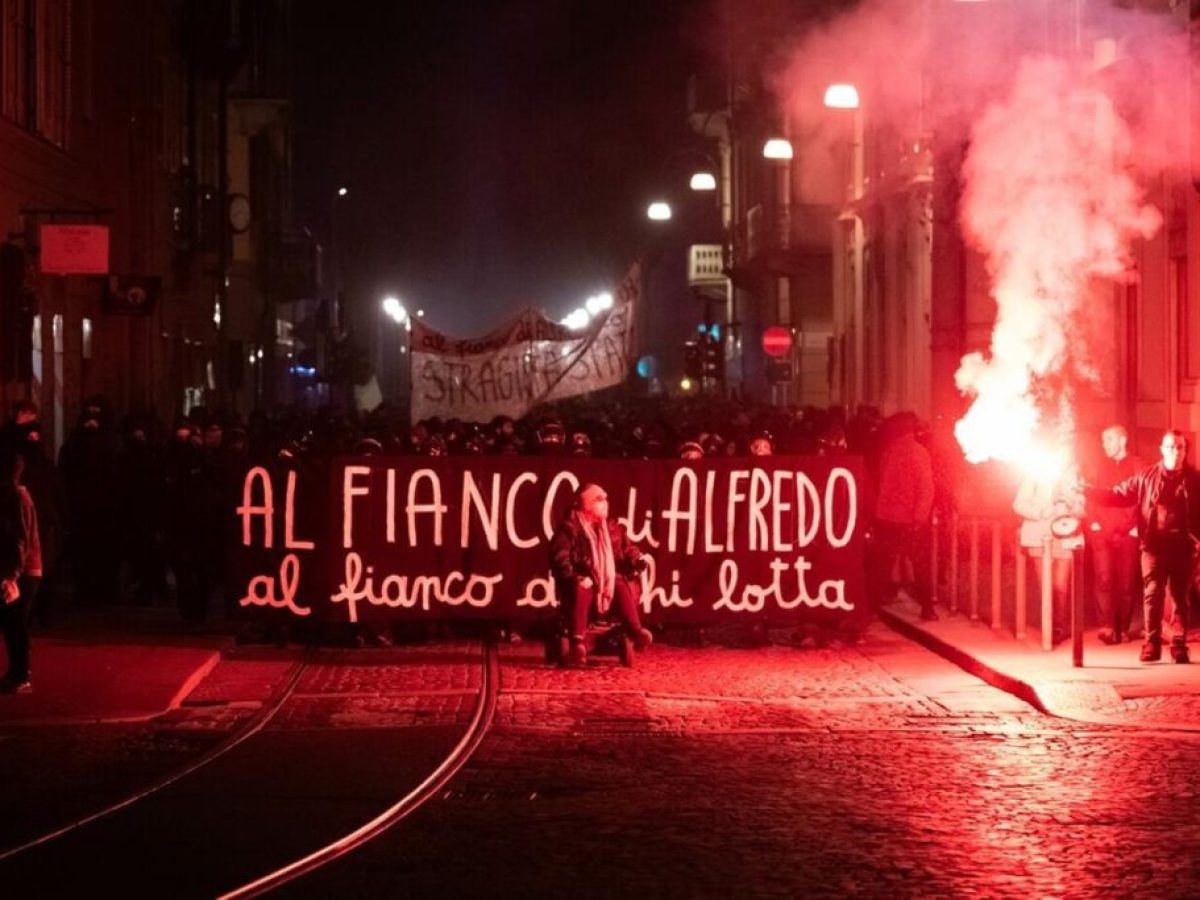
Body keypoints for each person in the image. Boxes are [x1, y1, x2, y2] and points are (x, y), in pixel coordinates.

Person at [1085, 429, 1200, 664]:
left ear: (1185, 451)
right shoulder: (1147, 476)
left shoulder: (1195, 480)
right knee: (1153, 594)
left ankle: (1178, 644)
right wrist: (1088, 491)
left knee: (1180, 597)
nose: (1175, 452)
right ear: (1162, 449)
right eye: (1170, 447)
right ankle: (1152, 643)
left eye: (1180, 447)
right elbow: (1118, 495)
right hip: (1154, 545)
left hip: (1182, 546)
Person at [549, 483, 652, 667]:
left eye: (605, 498)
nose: (605, 503)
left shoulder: (613, 528)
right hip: (582, 582)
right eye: (599, 499)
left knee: (620, 583)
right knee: (582, 587)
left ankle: (637, 632)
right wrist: (574, 576)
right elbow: (560, 557)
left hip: (606, 584)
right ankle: (578, 643)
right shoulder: (570, 528)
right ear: (586, 504)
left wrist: (636, 558)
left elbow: (627, 549)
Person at [871, 412, 936, 619]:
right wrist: (920, 515)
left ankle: (872, 607)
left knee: (882, 564)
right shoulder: (918, 452)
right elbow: (926, 487)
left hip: (886, 517)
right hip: (910, 518)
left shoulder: (889, 451)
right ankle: (927, 607)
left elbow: (881, 483)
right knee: (920, 565)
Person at [1087, 425, 1144, 644]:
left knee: (1127, 583)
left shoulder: (1138, 466)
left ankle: (1123, 628)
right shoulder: (1098, 467)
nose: (1105, 445)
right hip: (1103, 531)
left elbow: (1146, 495)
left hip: (1128, 531)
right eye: (1103, 440)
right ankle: (1107, 626)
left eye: (1109, 439)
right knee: (1103, 578)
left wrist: (1137, 526)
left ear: (1122, 440)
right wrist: (1093, 523)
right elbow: (1090, 493)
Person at [1014, 466, 1082, 645]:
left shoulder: (1072, 474)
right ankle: (1048, 626)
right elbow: (1018, 503)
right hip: (1040, 536)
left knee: (1061, 585)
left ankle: (1057, 627)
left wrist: (1073, 505)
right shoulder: (1034, 472)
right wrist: (1042, 511)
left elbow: (1082, 506)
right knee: (1045, 585)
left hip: (1066, 533)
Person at [0, 448, 40, 693]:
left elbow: (20, 537)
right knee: (12, 622)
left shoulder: (16, 497)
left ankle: (21, 674)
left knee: (15, 622)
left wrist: (11, 573)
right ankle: (17, 672)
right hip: (21, 568)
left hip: (22, 570)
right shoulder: (15, 495)